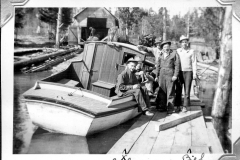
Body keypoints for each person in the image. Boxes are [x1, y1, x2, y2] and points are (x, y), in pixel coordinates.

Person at [155, 40, 180, 114]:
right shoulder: (160, 55)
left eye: (167, 47)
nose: (166, 48)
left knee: (170, 91)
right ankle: (162, 107)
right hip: (162, 75)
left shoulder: (174, 54)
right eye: (164, 47)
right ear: (162, 48)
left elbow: (177, 66)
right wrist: (156, 76)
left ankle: (170, 108)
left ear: (169, 47)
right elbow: (158, 66)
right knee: (161, 91)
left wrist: (175, 75)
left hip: (170, 74)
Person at [175, 35, 197, 112]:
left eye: (185, 42)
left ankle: (185, 106)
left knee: (187, 90)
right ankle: (177, 105)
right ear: (180, 43)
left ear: (187, 43)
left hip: (188, 72)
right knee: (178, 89)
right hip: (179, 72)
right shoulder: (178, 51)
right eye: (182, 42)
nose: (184, 43)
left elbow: (194, 62)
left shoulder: (191, 51)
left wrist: (194, 74)